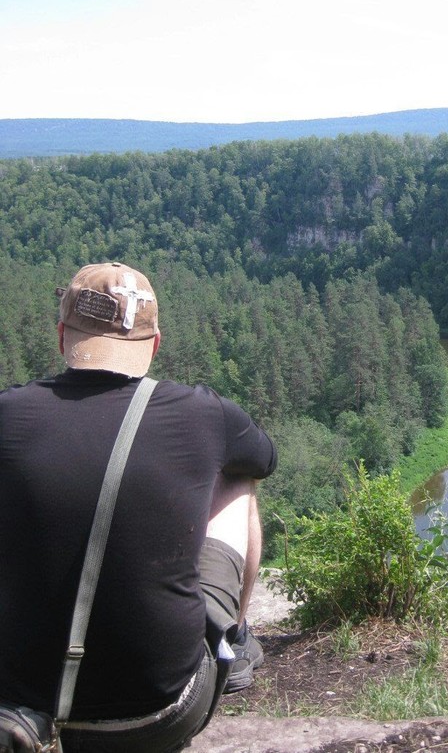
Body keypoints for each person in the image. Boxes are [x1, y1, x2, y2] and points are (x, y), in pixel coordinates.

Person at [0, 262, 277, 752]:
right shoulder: (202, 414)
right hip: (158, 717)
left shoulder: (8, 413)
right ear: (154, 344)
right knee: (238, 479)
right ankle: (237, 637)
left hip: (20, 716)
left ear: (63, 333)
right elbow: (263, 458)